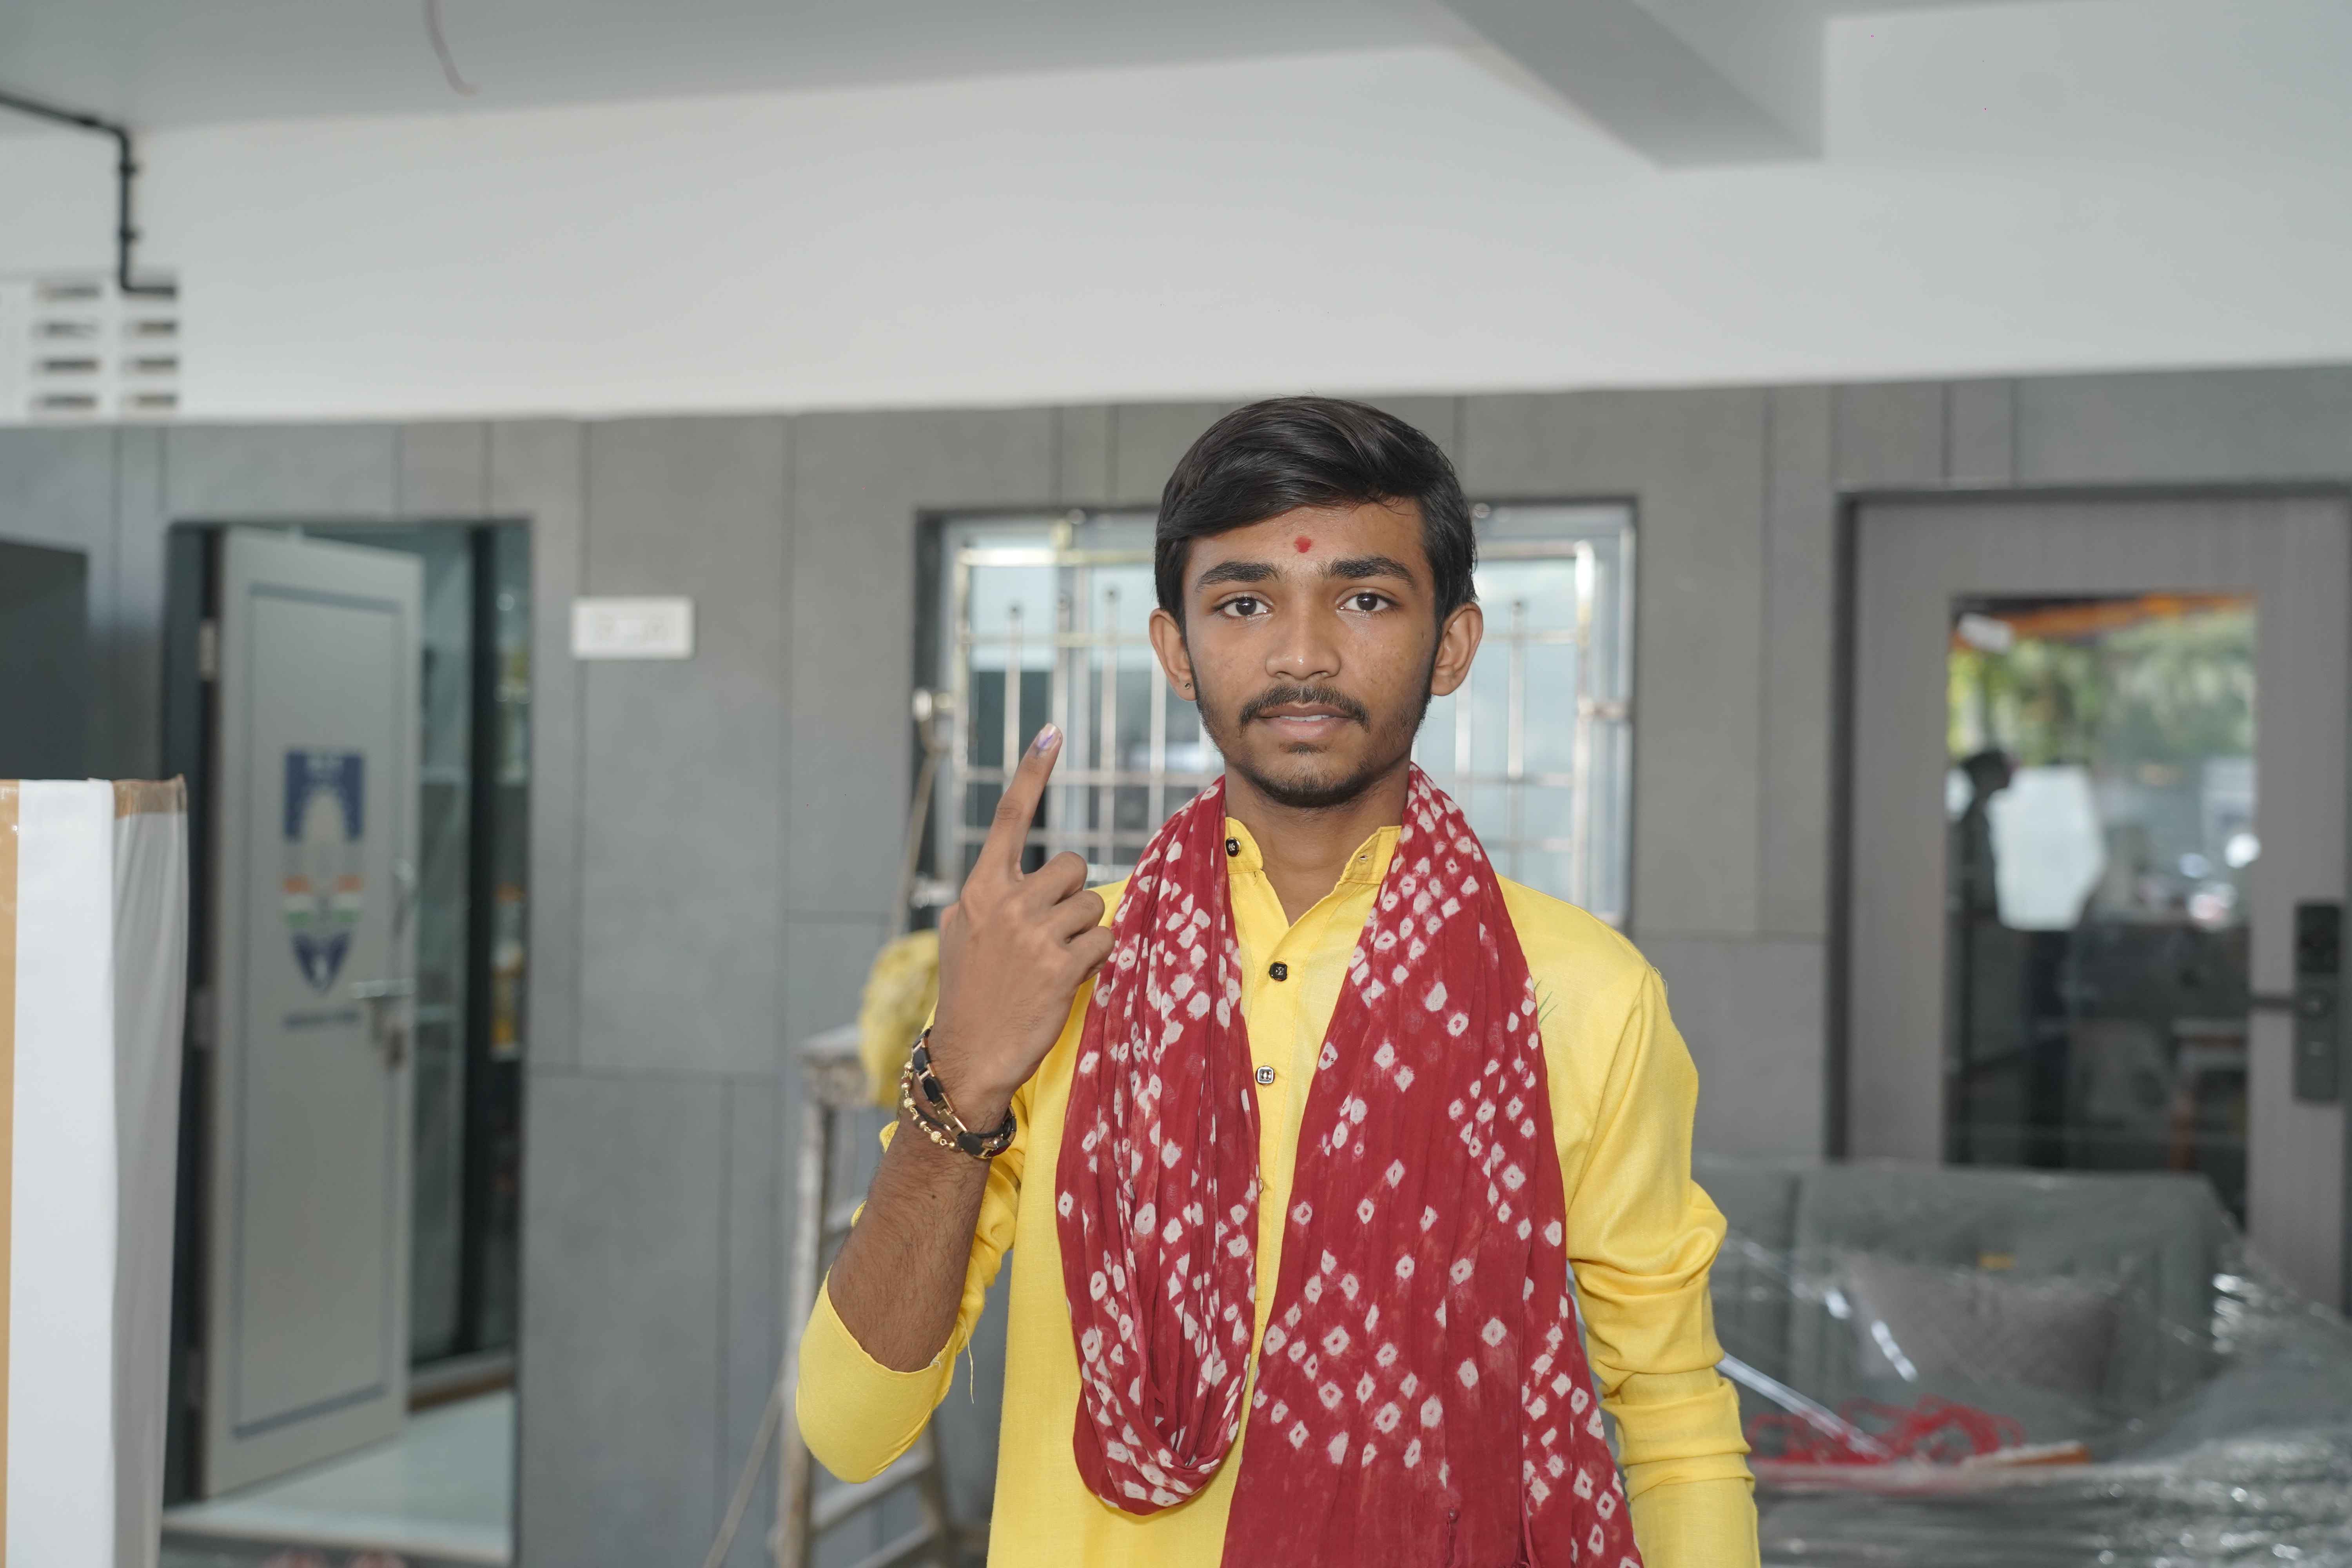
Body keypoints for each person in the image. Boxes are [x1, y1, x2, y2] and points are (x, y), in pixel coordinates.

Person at [799, 397, 1757, 1566]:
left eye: (1366, 599)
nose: (1303, 654)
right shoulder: (1066, 971)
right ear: (1176, 650)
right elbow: (849, 1429)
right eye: (1245, 603)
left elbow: (1673, 1417)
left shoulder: (1580, 993)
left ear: (1453, 645)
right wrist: (961, 1074)